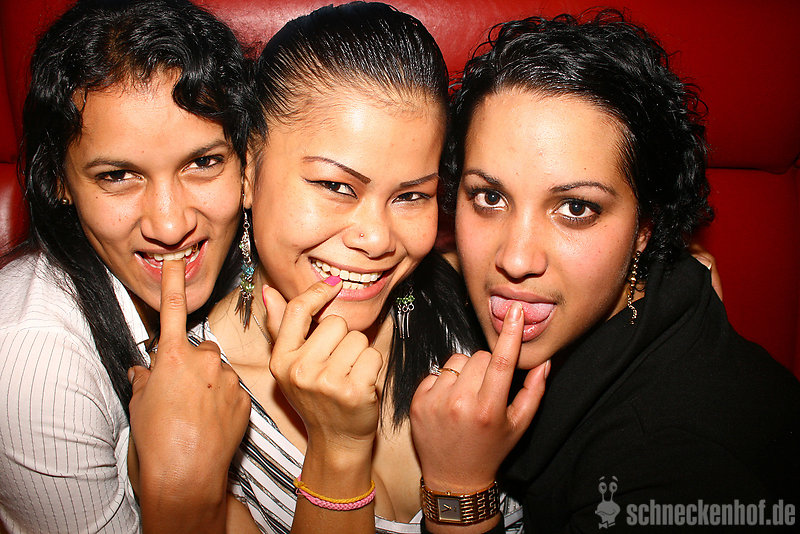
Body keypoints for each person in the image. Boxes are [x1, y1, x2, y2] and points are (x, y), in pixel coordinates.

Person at [410, 11, 800, 533]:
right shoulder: (654, 301)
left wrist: (458, 487)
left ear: (645, 228)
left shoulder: (665, 469)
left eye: (576, 209)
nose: (516, 260)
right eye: (490, 197)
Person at [189, 3, 525, 533]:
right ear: (248, 171)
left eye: (411, 195)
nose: (377, 239)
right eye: (336, 186)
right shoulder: (193, 407)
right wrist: (339, 447)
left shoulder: (474, 307)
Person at [0, 1, 255, 532]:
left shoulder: (252, 255)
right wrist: (184, 495)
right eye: (117, 176)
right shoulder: (34, 364)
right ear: (59, 182)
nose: (170, 224)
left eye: (203, 162)